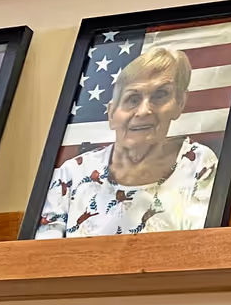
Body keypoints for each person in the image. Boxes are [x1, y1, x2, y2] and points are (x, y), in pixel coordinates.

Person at [36, 47, 217, 237]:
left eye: (160, 95)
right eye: (133, 99)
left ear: (179, 103)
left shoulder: (198, 162)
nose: (143, 111)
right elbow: (45, 250)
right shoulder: (72, 173)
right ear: (112, 114)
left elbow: (199, 246)